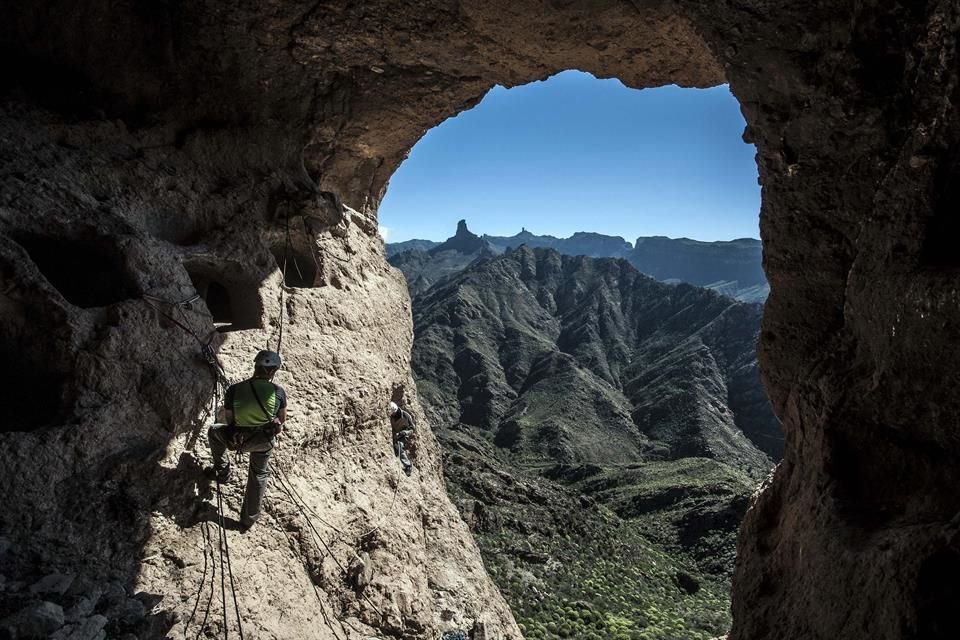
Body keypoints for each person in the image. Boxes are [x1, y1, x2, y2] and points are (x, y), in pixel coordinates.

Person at [206, 350, 287, 531]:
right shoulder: (278, 392)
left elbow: (229, 419)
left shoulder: (234, 390)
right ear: (273, 371)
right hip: (262, 442)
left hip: (237, 440)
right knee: (259, 474)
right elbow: (281, 420)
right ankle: (248, 520)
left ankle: (223, 471)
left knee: (214, 432)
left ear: (255, 366)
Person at [388, 401, 415, 474]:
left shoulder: (406, 416)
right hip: (394, 435)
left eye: (393, 413)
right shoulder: (391, 417)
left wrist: (405, 433)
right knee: (395, 447)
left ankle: (408, 465)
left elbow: (412, 429)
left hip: (404, 436)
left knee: (399, 445)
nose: (392, 415)